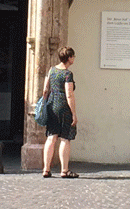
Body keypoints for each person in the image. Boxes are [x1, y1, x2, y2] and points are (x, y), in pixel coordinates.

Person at [41, 45, 78, 178]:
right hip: (63, 107)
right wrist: (73, 113)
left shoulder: (52, 70)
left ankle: (46, 169)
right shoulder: (67, 74)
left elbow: (45, 90)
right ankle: (64, 170)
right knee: (65, 138)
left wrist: (45, 105)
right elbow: (69, 94)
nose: (74, 58)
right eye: (73, 56)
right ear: (69, 58)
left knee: (51, 137)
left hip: (51, 105)